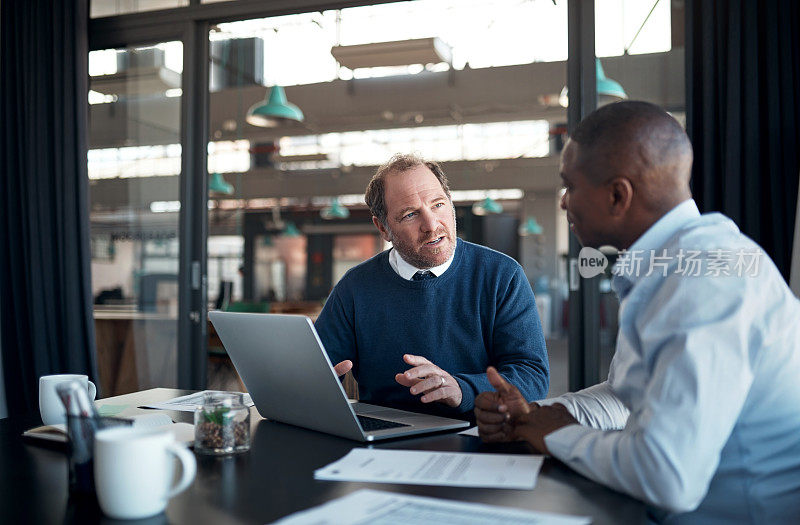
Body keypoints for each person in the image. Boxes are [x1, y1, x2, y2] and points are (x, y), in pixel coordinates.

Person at [475, 101, 800, 523]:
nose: (563, 203)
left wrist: (557, 434)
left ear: (617, 195)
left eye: (569, 187)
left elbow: (668, 476)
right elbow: (627, 396)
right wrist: (536, 416)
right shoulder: (676, 265)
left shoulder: (704, 282)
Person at [315, 153, 549, 418]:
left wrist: (461, 389)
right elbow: (316, 368)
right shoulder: (355, 287)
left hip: (476, 433)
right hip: (385, 439)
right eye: (411, 214)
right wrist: (311, 381)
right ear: (383, 228)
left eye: (438, 205)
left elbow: (533, 377)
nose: (431, 225)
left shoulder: (502, 275)